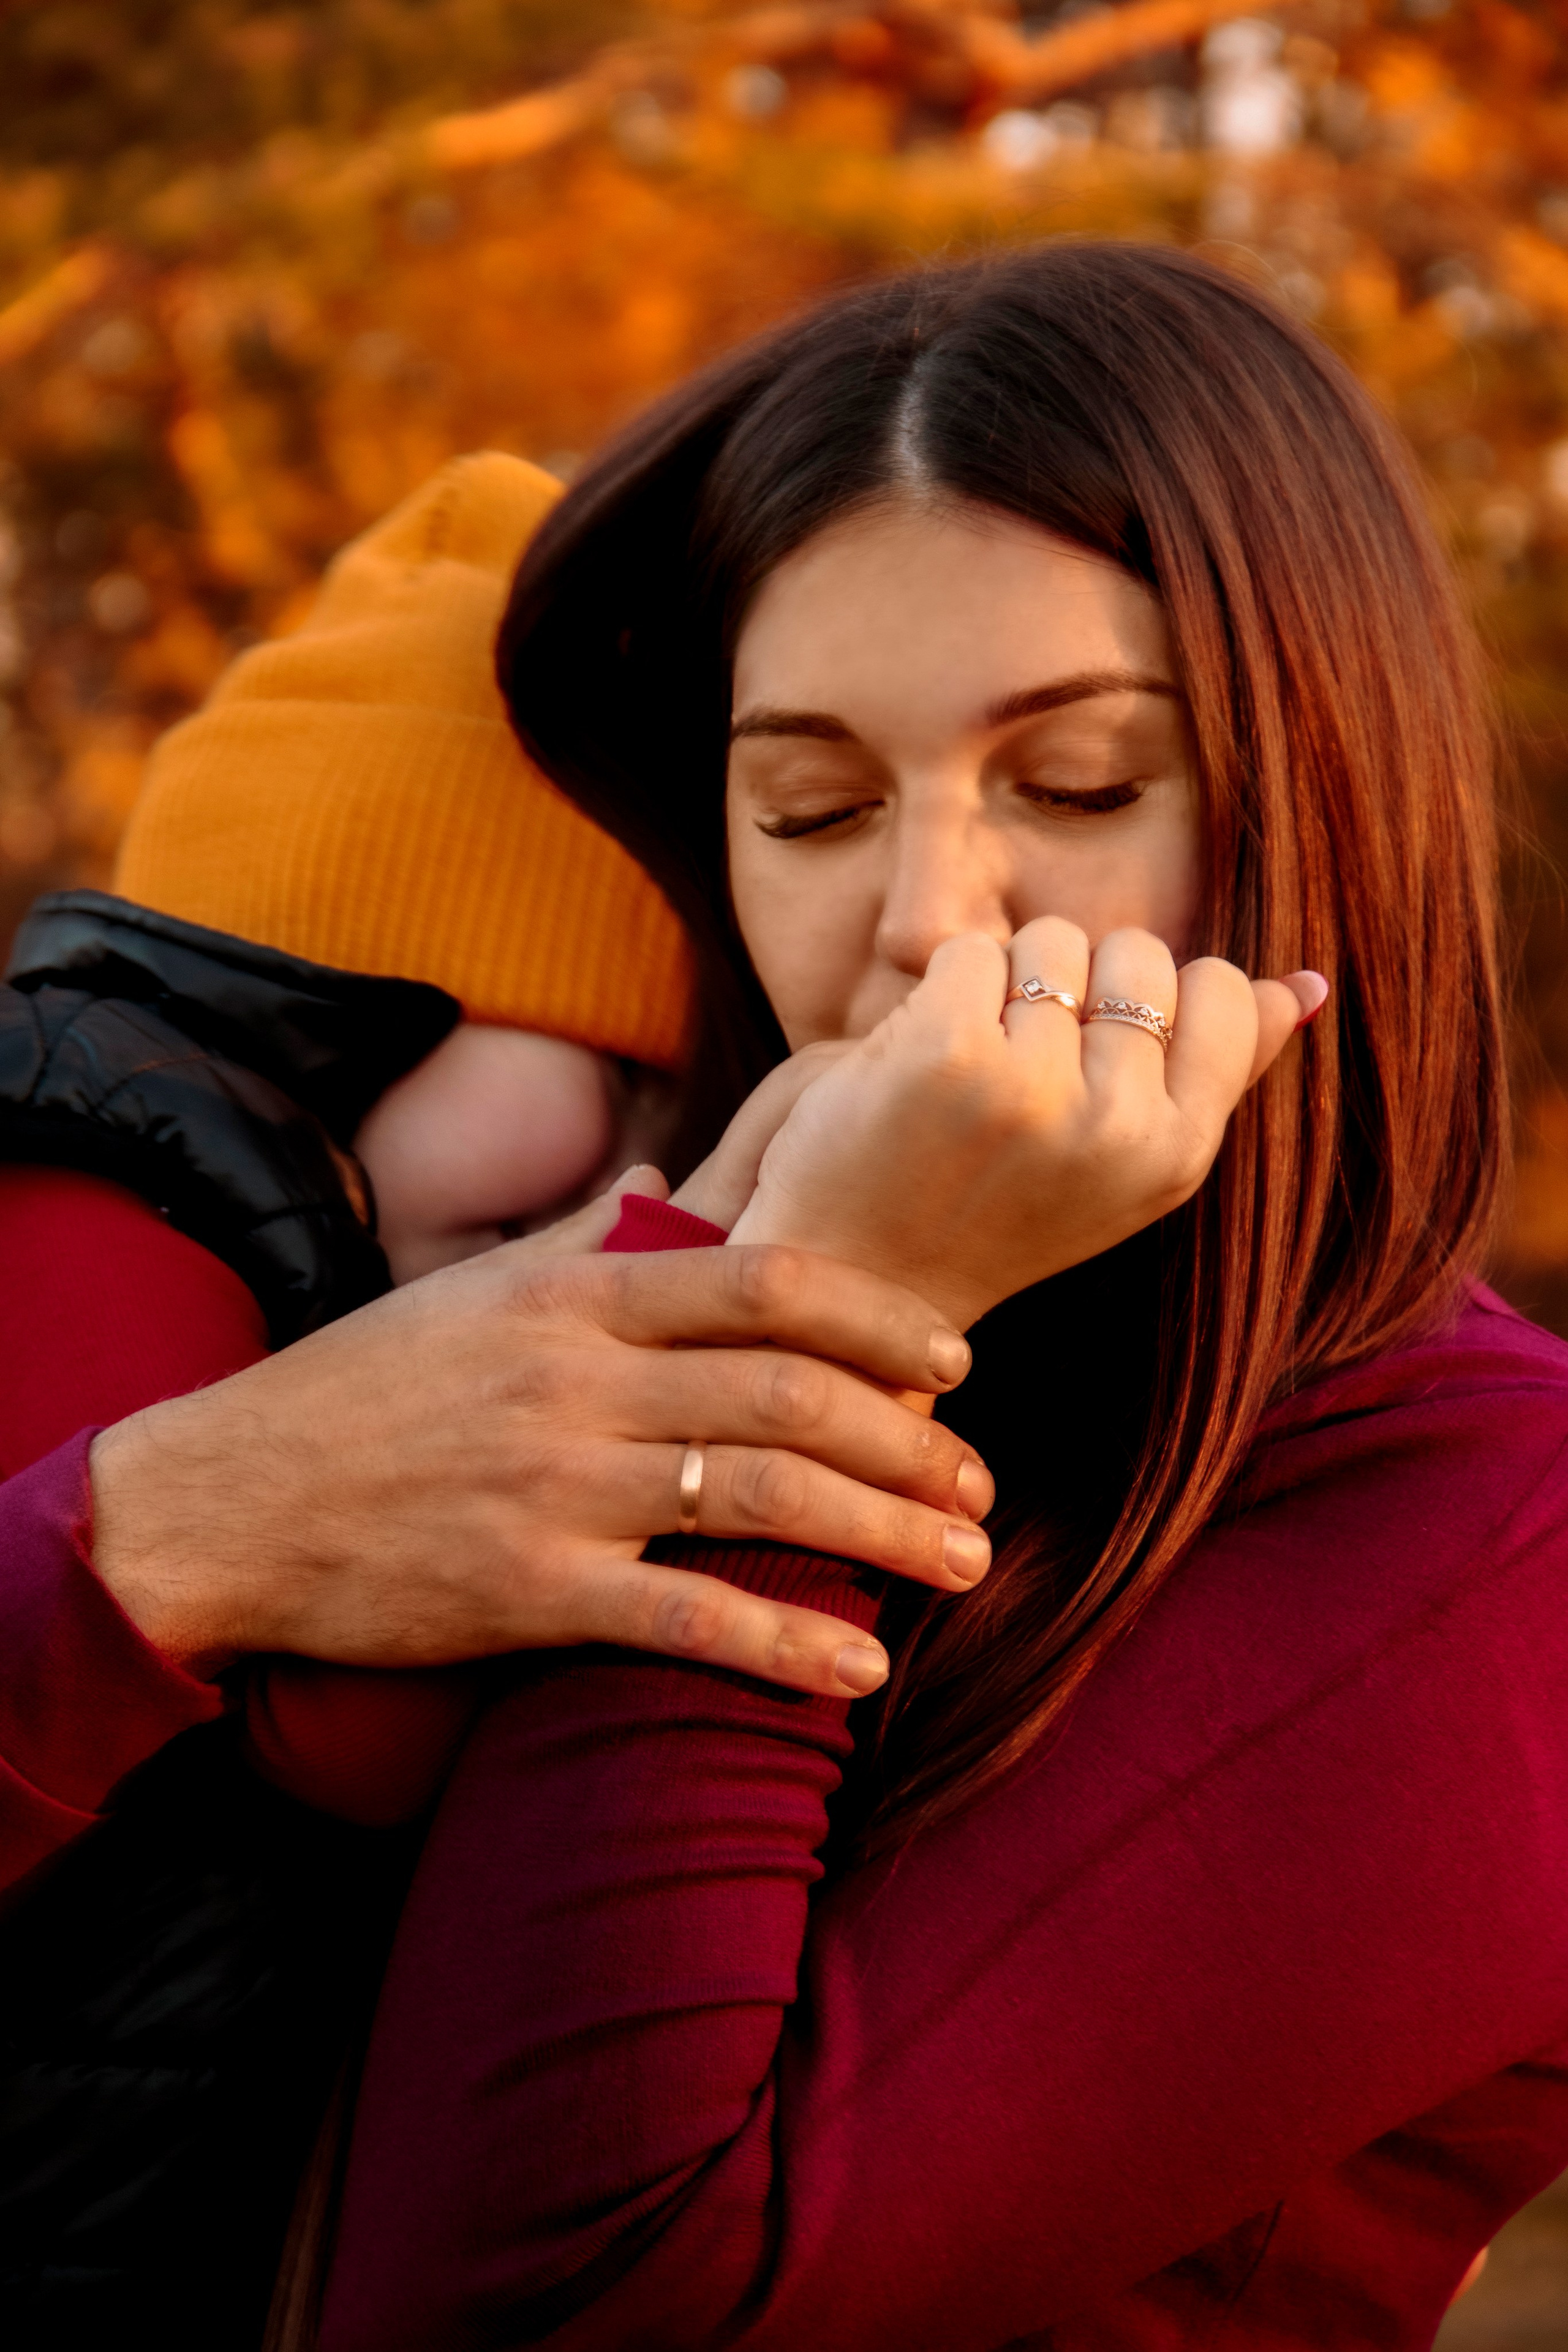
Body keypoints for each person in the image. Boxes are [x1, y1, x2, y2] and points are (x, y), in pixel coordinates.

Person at [315, 243, 1568, 2351]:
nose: (918, 924)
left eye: (1077, 787)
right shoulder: (562, 1290)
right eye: (809, 806)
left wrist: (817, 1305)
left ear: (1326, 804)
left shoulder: (1498, 1529)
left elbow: (548, 2295)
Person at [0, 456, 994, 2348]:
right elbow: (314, 1743)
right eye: (610, 1072)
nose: (628, 1176)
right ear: (349, 995)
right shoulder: (92, 1219)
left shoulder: (279, 1215)